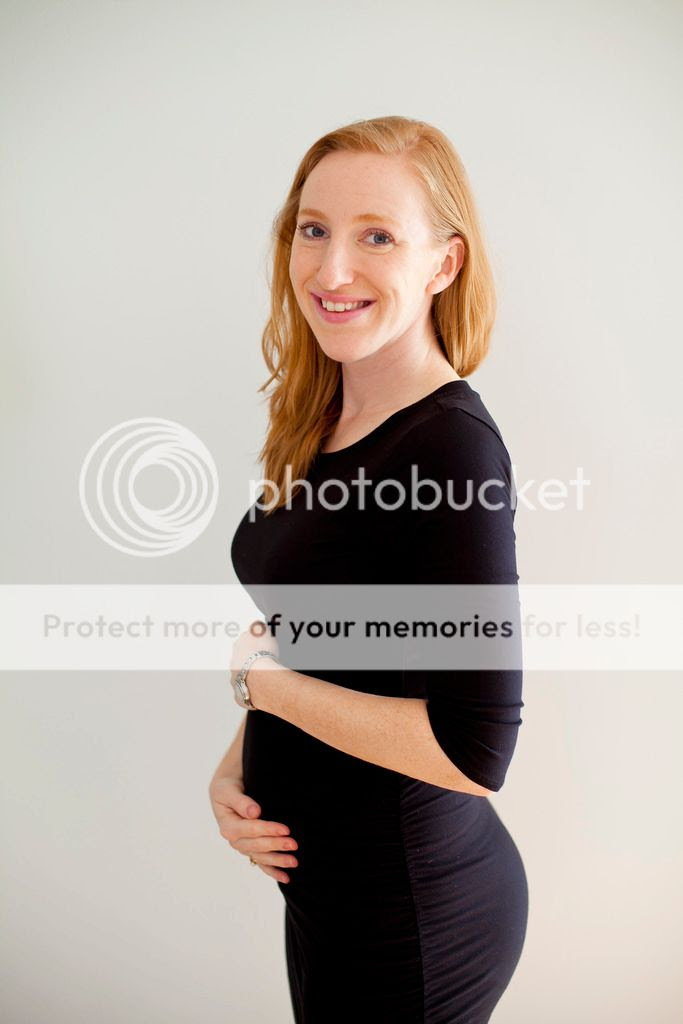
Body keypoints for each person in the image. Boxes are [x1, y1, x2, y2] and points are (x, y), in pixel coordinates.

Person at [209, 115, 528, 1023]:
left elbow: (474, 751)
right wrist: (235, 769)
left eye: (377, 236)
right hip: (336, 896)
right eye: (313, 230)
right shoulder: (322, 417)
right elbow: (319, 640)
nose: (331, 269)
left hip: (412, 916)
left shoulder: (450, 449)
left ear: (443, 264)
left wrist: (258, 687)